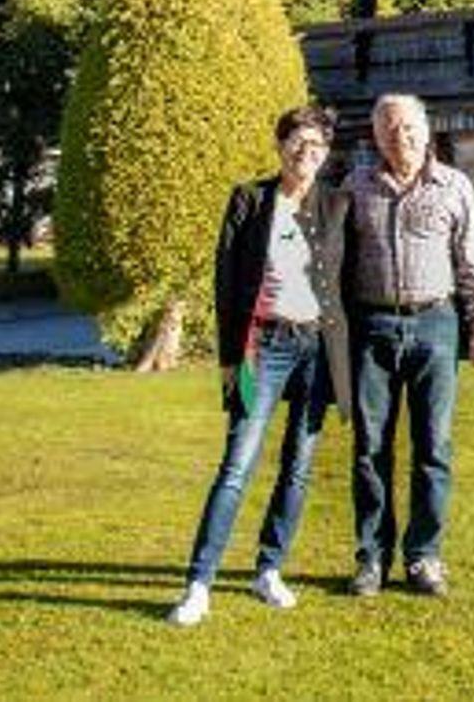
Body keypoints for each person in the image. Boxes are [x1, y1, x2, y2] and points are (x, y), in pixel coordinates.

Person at [167, 106, 351, 628]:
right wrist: (231, 361)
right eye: (298, 142)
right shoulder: (249, 199)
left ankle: (269, 568)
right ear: (280, 145)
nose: (307, 153)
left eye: (317, 146)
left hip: (317, 350)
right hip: (260, 348)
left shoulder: (338, 205)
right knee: (237, 465)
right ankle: (199, 583)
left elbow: (348, 283)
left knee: (298, 466)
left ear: (326, 153)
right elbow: (225, 282)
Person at [344, 93, 474, 598]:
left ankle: (424, 557)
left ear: (427, 131)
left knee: (434, 447)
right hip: (372, 326)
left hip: (436, 324)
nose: (400, 138)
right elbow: (334, 261)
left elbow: (472, 261)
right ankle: (371, 558)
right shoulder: (355, 187)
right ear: (376, 137)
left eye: (409, 128)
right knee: (370, 449)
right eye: (389, 130)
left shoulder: (455, 186)